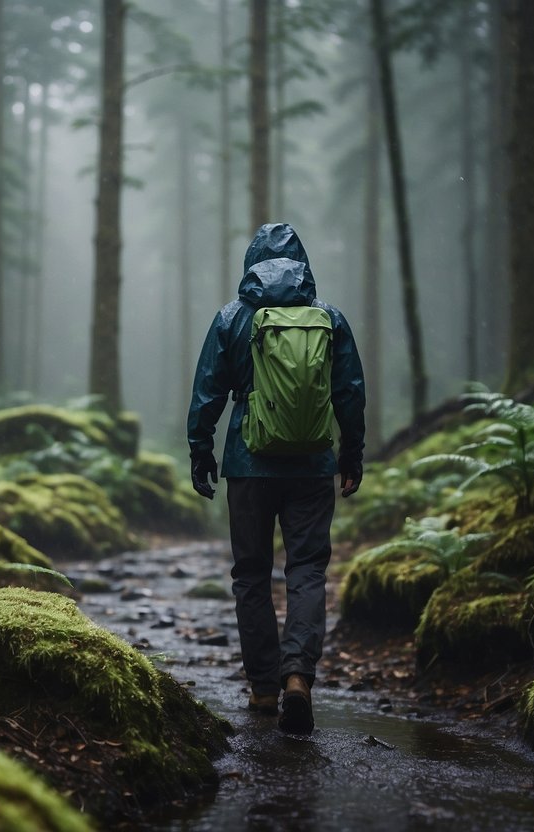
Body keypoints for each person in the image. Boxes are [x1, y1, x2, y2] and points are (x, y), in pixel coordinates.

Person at [187, 222, 366, 735]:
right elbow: (350, 391)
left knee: (251, 575)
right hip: (312, 464)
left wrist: (201, 451)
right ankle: (298, 680)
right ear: (304, 265)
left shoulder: (233, 318)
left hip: (248, 465)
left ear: (251, 264)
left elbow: (208, 392)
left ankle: (264, 688)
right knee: (307, 570)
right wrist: (351, 454)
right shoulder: (328, 318)